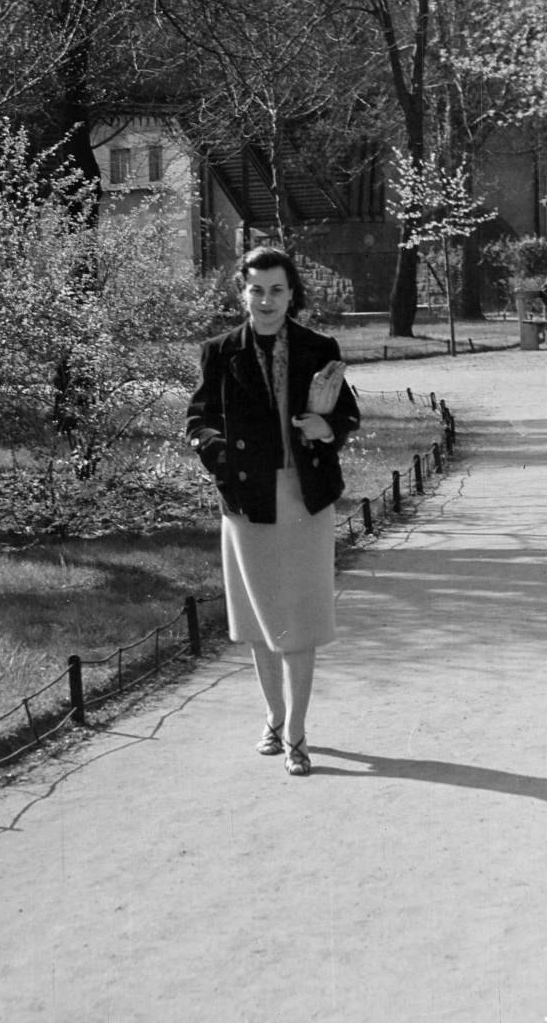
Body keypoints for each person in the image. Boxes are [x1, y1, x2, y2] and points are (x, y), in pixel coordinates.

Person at [186, 245, 359, 777]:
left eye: (277, 290)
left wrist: (325, 428)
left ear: (292, 294)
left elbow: (348, 413)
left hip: (304, 499)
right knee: (261, 620)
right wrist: (219, 457)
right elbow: (198, 420)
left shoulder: (317, 347)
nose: (266, 300)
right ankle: (274, 716)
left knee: (301, 620)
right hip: (246, 500)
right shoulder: (219, 351)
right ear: (243, 292)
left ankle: (299, 735)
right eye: (256, 289)